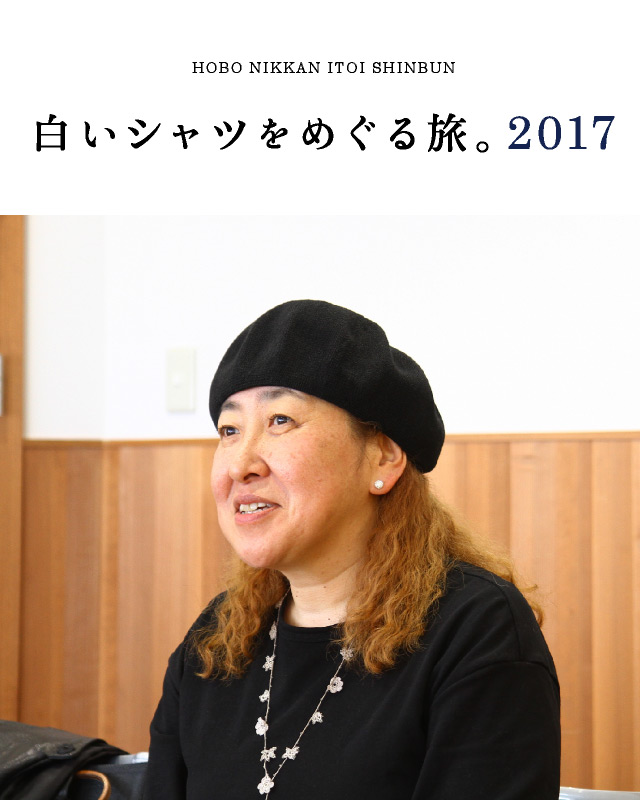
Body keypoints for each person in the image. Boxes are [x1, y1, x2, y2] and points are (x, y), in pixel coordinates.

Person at [144, 300, 560, 799]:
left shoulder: (476, 631)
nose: (240, 465)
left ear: (383, 456)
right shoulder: (215, 642)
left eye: (280, 420)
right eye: (229, 431)